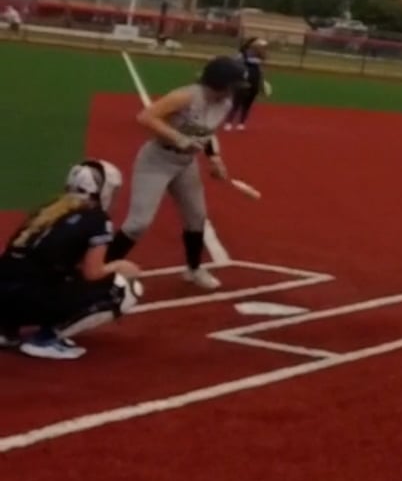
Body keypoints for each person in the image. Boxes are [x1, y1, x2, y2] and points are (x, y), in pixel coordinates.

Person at [105, 56, 245, 290]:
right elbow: (146, 116)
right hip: (156, 161)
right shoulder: (186, 96)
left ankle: (194, 269)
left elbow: (207, 133)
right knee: (138, 223)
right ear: (220, 83)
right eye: (233, 85)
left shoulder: (225, 104)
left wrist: (214, 158)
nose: (235, 91)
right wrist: (179, 138)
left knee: (196, 216)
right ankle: (100, 270)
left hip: (185, 164)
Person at [1, 161, 142, 360]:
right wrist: (120, 265)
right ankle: (45, 340)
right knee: (124, 289)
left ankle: (6, 330)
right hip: (30, 297)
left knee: (34, 275)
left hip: (5, 294)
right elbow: (93, 272)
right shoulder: (97, 218)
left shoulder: (48, 208)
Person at [226, 37, 271, 132]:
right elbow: (234, 65)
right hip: (243, 80)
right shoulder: (242, 55)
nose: (261, 48)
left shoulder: (260, 57)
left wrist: (262, 84)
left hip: (254, 80)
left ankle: (241, 123)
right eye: (258, 46)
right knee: (237, 102)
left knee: (247, 103)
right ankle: (229, 122)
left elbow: (261, 70)